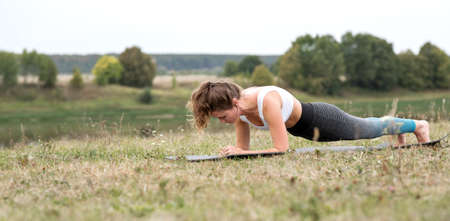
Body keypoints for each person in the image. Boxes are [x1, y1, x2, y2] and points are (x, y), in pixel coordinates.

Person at [188, 81, 430, 156]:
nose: (222, 121)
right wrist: (235, 150)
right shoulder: (240, 109)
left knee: (369, 128)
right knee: (371, 125)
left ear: (234, 103)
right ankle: (400, 128)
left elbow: (281, 149)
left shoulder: (266, 101)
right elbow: (243, 148)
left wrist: (241, 153)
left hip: (322, 119)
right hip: (306, 130)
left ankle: (418, 125)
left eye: (222, 116)